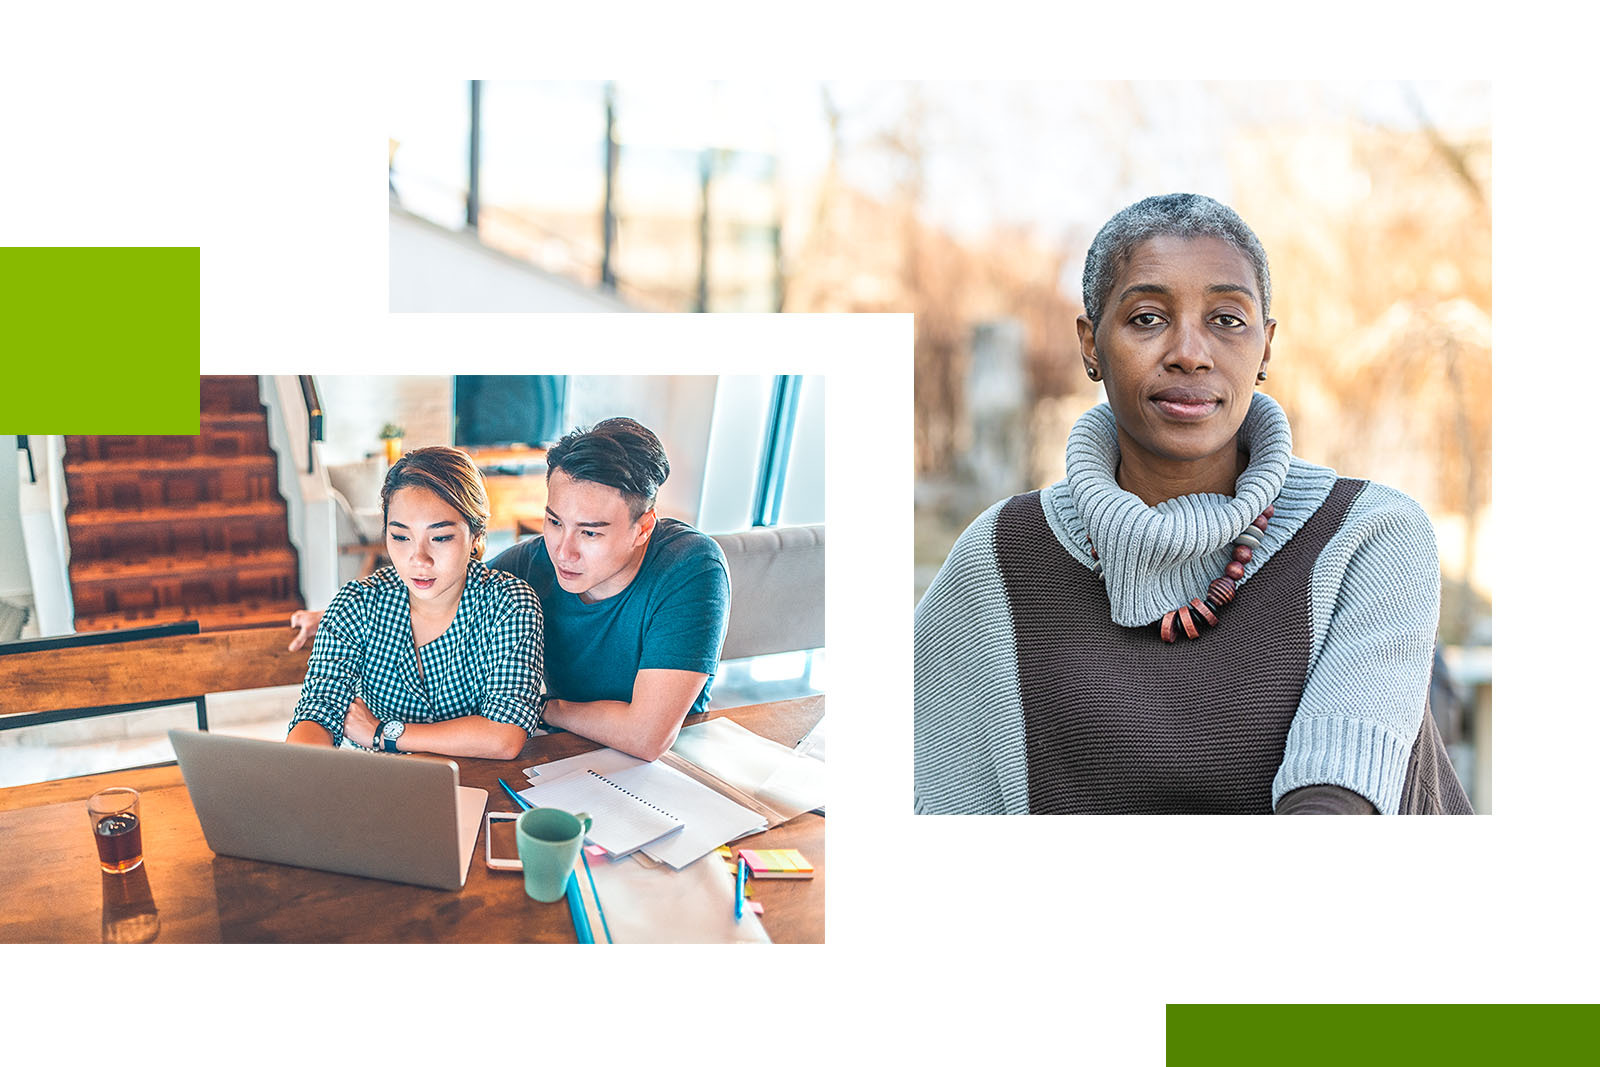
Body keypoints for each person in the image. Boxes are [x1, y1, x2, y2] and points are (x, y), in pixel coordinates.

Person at [914, 193, 1471, 816]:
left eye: (1227, 319)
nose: (1189, 352)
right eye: (1147, 318)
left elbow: (1337, 805)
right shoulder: (1001, 554)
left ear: (1265, 347)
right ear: (1090, 344)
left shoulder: (1370, 533)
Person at [291, 417, 729, 763]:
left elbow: (646, 736)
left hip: (667, 769)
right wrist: (334, 616)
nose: (563, 551)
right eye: (554, 521)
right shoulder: (531, 563)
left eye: (590, 533)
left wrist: (533, 709)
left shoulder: (689, 567)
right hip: (557, 760)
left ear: (642, 528)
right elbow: (450, 586)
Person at [286, 445, 542, 759]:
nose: (418, 559)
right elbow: (318, 711)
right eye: (401, 537)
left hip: (479, 785)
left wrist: (384, 732)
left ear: (476, 535)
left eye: (441, 537)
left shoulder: (509, 604)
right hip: (382, 786)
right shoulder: (356, 604)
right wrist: (298, 773)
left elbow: (504, 736)